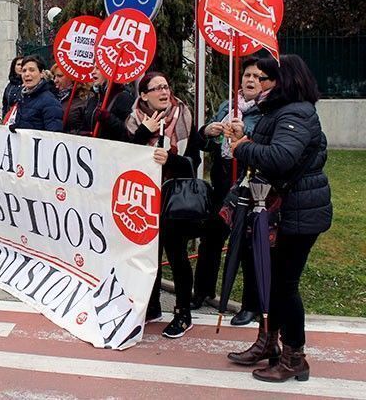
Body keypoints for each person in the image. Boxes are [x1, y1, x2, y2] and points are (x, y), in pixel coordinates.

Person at [225, 54, 332, 383]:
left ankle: (294, 356)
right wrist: (250, 139)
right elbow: (274, 147)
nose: (261, 82)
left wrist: (242, 146)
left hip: (297, 213)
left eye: (268, 77)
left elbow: (281, 157)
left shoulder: (296, 113)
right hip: (281, 210)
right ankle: (268, 344)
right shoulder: (282, 111)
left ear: (285, 81)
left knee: (285, 286)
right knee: (268, 281)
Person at [126, 71, 201, 338]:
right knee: (150, 256)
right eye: (156, 88)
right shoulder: (135, 120)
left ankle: (183, 313)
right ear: (143, 95)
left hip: (174, 199)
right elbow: (124, 157)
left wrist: (169, 159)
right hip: (144, 198)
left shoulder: (183, 117)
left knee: (177, 256)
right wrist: (143, 134)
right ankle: (153, 306)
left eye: (166, 86)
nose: (164, 92)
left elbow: (193, 162)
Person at [192, 57, 263, 326]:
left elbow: (264, 142)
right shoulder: (228, 105)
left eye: (257, 76)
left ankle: (249, 305)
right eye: (246, 75)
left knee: (245, 245)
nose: (250, 80)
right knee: (212, 237)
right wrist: (208, 131)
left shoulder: (265, 111)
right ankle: (202, 292)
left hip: (248, 184)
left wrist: (244, 133)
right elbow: (206, 143)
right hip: (223, 182)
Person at [80, 67, 135, 141]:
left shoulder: (124, 97)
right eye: (93, 68)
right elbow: (84, 126)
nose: (93, 72)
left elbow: (128, 133)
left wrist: (109, 118)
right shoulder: (94, 98)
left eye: (98, 68)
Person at [10, 56, 63, 132]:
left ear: (41, 73)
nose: (27, 74)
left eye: (32, 70)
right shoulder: (22, 98)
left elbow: (54, 136)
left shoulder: (50, 102)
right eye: (24, 71)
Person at [50, 64, 92, 133]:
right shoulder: (52, 96)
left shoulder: (85, 99)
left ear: (72, 77)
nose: (55, 80)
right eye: (55, 77)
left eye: (60, 76)